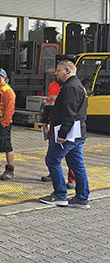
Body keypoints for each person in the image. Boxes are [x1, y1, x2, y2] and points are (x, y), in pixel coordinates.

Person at [39, 60, 90, 208]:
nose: (56, 73)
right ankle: (81, 198)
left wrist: (62, 133)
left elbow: (68, 113)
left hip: (68, 133)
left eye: (59, 70)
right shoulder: (78, 86)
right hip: (78, 132)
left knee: (52, 160)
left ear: (67, 71)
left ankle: (60, 195)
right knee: (77, 165)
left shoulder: (70, 88)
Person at [40, 79, 76, 189]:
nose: (56, 73)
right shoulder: (53, 85)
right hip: (54, 122)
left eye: (59, 70)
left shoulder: (71, 86)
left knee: (71, 153)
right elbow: (48, 103)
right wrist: (45, 119)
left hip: (67, 124)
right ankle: (54, 174)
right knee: (53, 151)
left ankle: (72, 179)